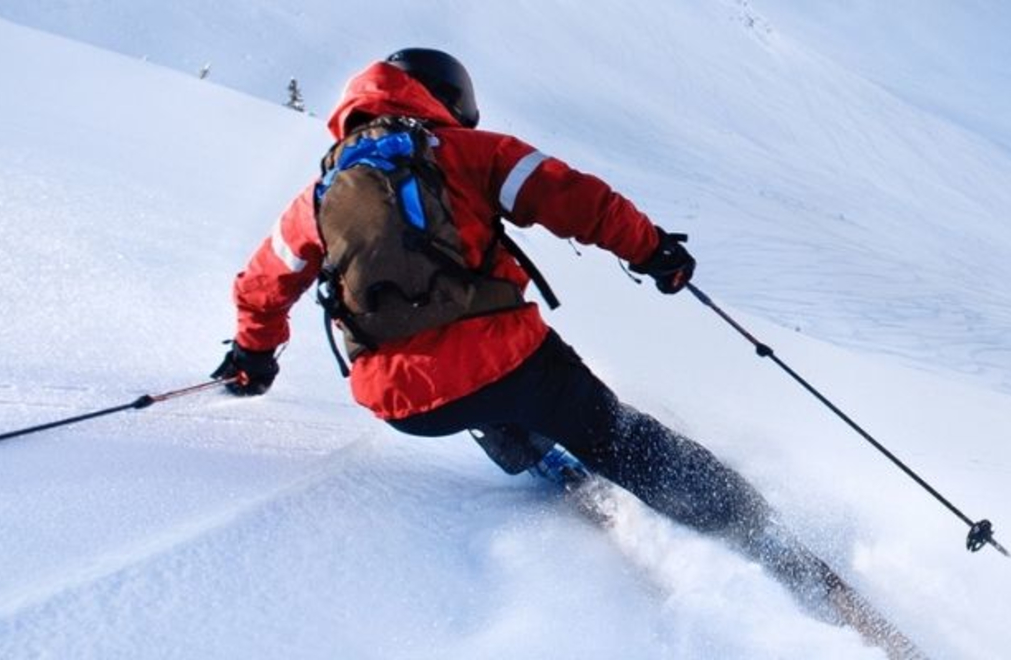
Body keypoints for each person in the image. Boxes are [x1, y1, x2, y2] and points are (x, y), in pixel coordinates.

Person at [213, 48, 772, 545]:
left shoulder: (319, 196)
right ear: (449, 97)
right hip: (514, 367)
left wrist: (253, 359)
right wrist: (652, 251)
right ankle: (755, 528)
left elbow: (262, 286)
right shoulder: (468, 151)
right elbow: (576, 198)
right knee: (614, 434)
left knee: (473, 394)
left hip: (403, 403)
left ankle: (534, 455)